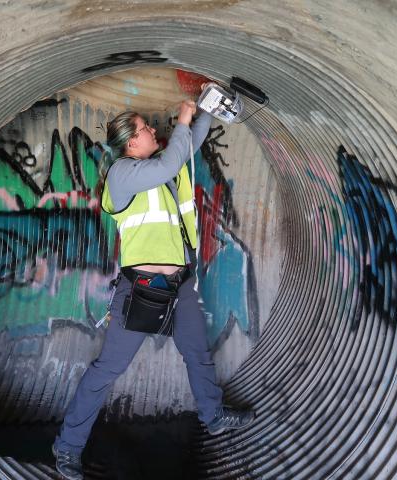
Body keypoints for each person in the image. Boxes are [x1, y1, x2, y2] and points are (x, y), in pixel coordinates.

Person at [52, 97, 255, 480]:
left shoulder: (162, 169)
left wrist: (205, 108)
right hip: (141, 291)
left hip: (179, 284)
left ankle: (213, 416)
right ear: (131, 143)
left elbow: (187, 147)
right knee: (107, 370)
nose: (152, 131)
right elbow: (171, 159)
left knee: (197, 353)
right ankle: (67, 448)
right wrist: (181, 119)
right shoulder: (123, 175)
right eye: (146, 129)